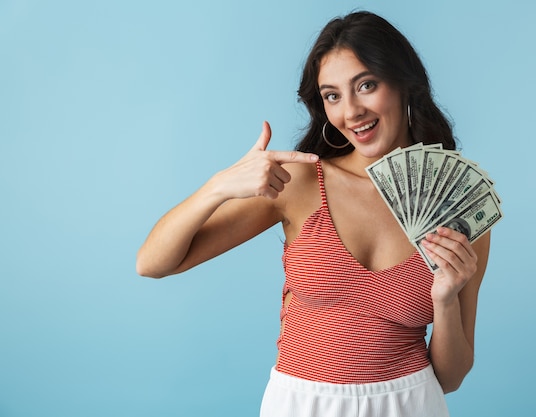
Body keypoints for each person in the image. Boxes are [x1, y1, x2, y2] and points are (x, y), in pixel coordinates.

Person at [136, 10, 491, 417]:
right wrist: (218, 186)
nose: (352, 111)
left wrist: (445, 299)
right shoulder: (300, 182)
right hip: (303, 404)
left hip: (409, 403)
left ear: (404, 85)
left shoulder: (459, 207)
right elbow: (152, 263)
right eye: (332, 95)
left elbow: (451, 377)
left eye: (367, 85)